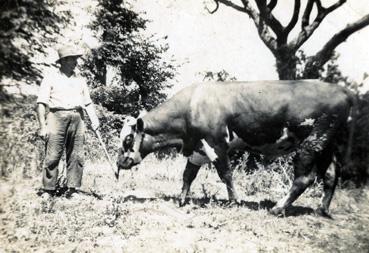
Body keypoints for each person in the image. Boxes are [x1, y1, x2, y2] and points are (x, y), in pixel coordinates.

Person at [36, 44, 100, 198]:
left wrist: (94, 119)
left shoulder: (80, 79)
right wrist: (42, 126)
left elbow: (88, 102)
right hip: (56, 117)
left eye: (76, 59)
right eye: (72, 59)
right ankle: (48, 190)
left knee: (77, 155)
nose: (75, 62)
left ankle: (72, 189)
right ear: (63, 61)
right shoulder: (51, 78)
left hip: (78, 117)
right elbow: (40, 104)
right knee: (52, 155)